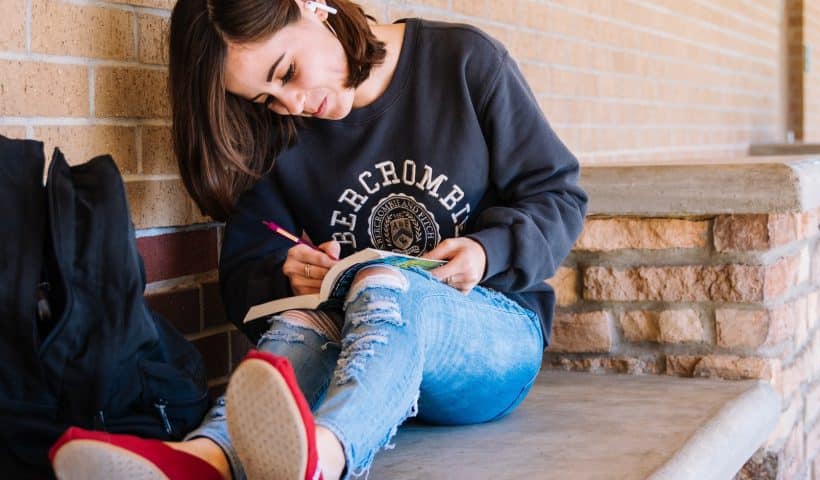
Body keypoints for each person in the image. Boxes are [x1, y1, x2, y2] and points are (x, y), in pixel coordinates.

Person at [49, 0, 587, 478]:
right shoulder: (278, 130)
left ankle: (324, 458)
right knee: (307, 316)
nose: (292, 103)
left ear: (311, 5)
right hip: (361, 351)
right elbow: (243, 276)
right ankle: (205, 460)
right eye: (267, 97)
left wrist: (487, 251)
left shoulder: (464, 62)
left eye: (286, 71)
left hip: (493, 338)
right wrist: (284, 272)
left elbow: (558, 198)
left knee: (384, 283)